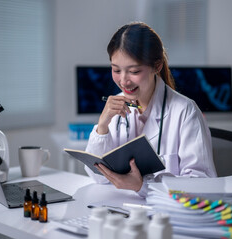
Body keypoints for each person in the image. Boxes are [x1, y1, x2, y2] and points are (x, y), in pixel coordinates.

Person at [85, 22, 217, 197]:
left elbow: (202, 183)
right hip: (123, 208)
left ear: (157, 66)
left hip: (170, 216)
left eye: (133, 71)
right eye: (116, 70)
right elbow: (100, 178)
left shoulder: (185, 111)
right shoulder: (116, 107)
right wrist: (102, 126)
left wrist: (143, 186)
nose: (123, 81)